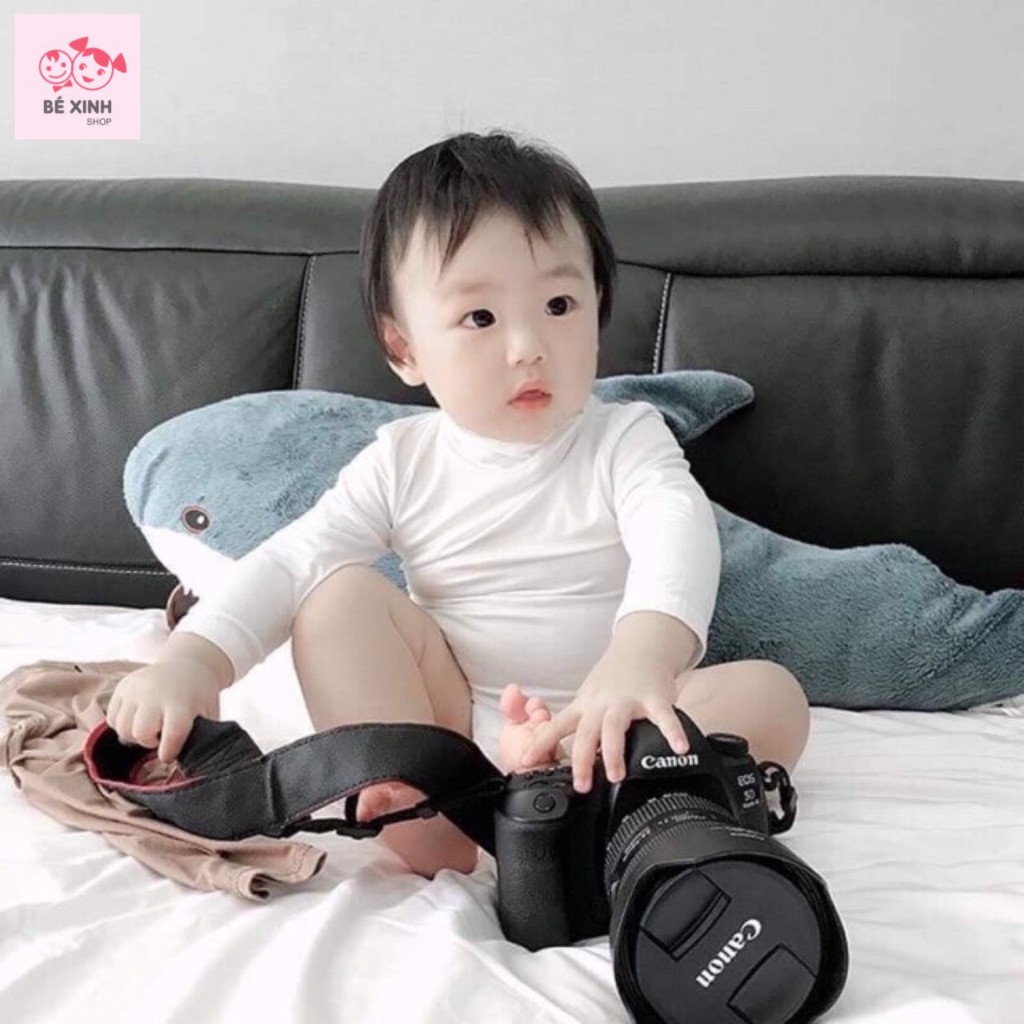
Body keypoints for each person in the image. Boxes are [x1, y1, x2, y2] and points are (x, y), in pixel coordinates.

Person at [106, 129, 810, 879]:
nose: (528, 346)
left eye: (560, 304)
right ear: (404, 348)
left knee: (772, 696)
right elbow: (289, 561)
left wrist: (642, 660)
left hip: (616, 716)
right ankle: (428, 814)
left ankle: (586, 797)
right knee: (335, 599)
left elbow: (676, 527)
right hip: (455, 734)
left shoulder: (625, 437)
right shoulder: (401, 462)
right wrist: (194, 659)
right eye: (480, 318)